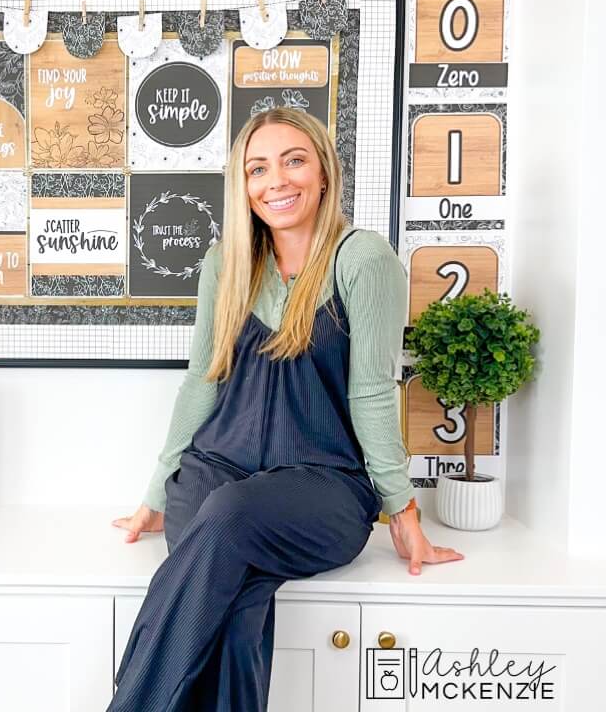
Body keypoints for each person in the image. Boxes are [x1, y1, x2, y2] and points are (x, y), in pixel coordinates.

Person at [108, 108, 465, 712]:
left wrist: (402, 509)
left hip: (323, 485)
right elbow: (203, 378)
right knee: (235, 602)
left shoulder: (363, 259)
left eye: (294, 160)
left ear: (324, 172)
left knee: (227, 521)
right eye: (258, 168)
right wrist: (157, 491)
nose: (277, 180)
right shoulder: (226, 263)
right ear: (242, 186)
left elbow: (374, 391)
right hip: (214, 466)